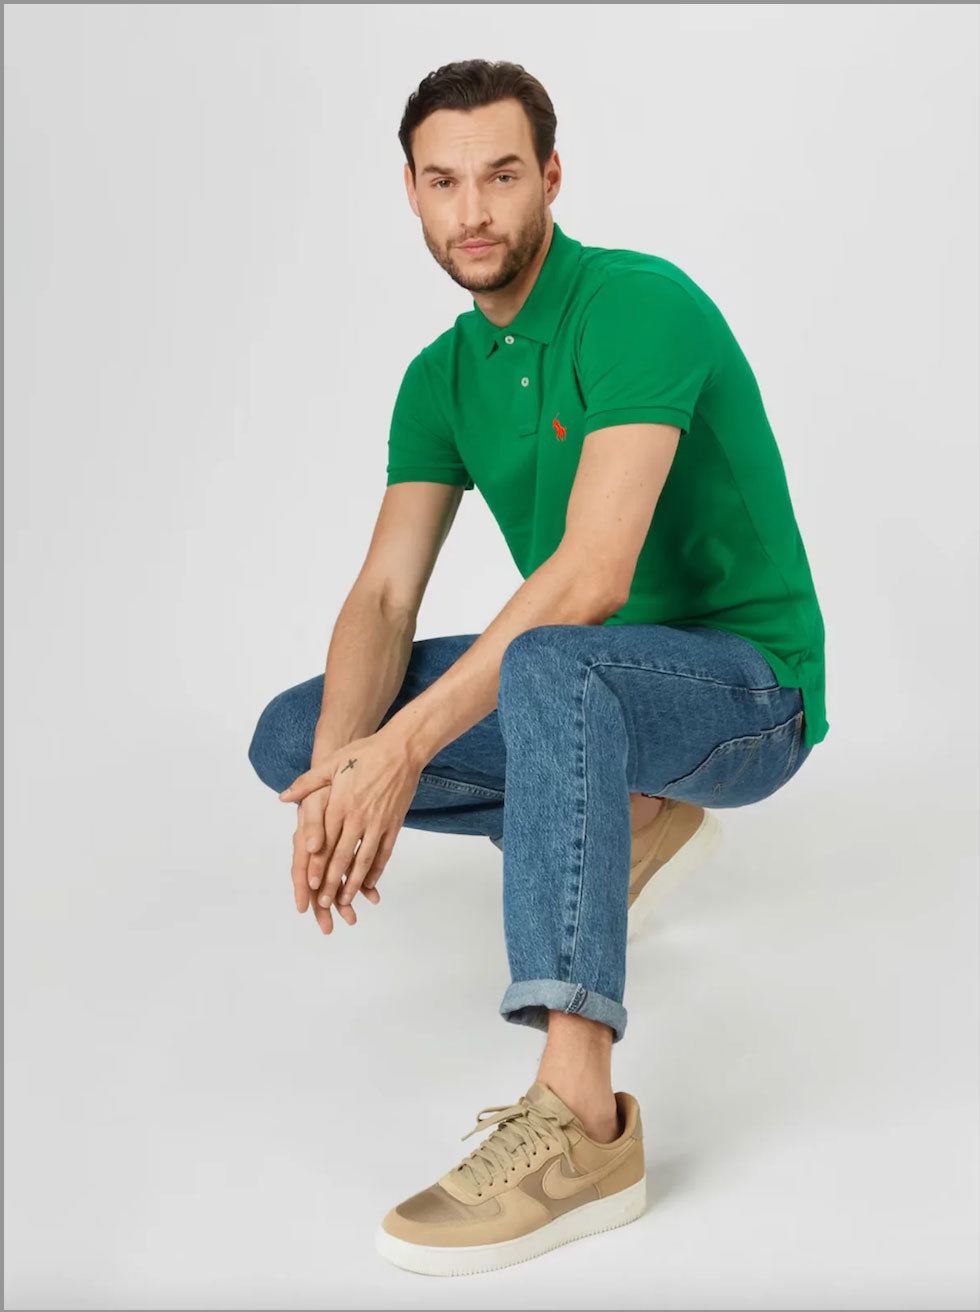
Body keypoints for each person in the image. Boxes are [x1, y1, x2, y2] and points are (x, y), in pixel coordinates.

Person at [247, 58, 828, 1278]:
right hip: (586, 679)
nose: (473, 211)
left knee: (553, 665)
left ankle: (581, 1124)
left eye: (501, 176)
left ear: (550, 177)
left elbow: (593, 574)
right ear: (410, 191)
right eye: (443, 181)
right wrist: (345, 766)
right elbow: (384, 595)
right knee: (296, 731)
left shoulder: (635, 305)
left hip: (743, 690)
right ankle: (626, 819)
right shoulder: (439, 377)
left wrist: (405, 750)